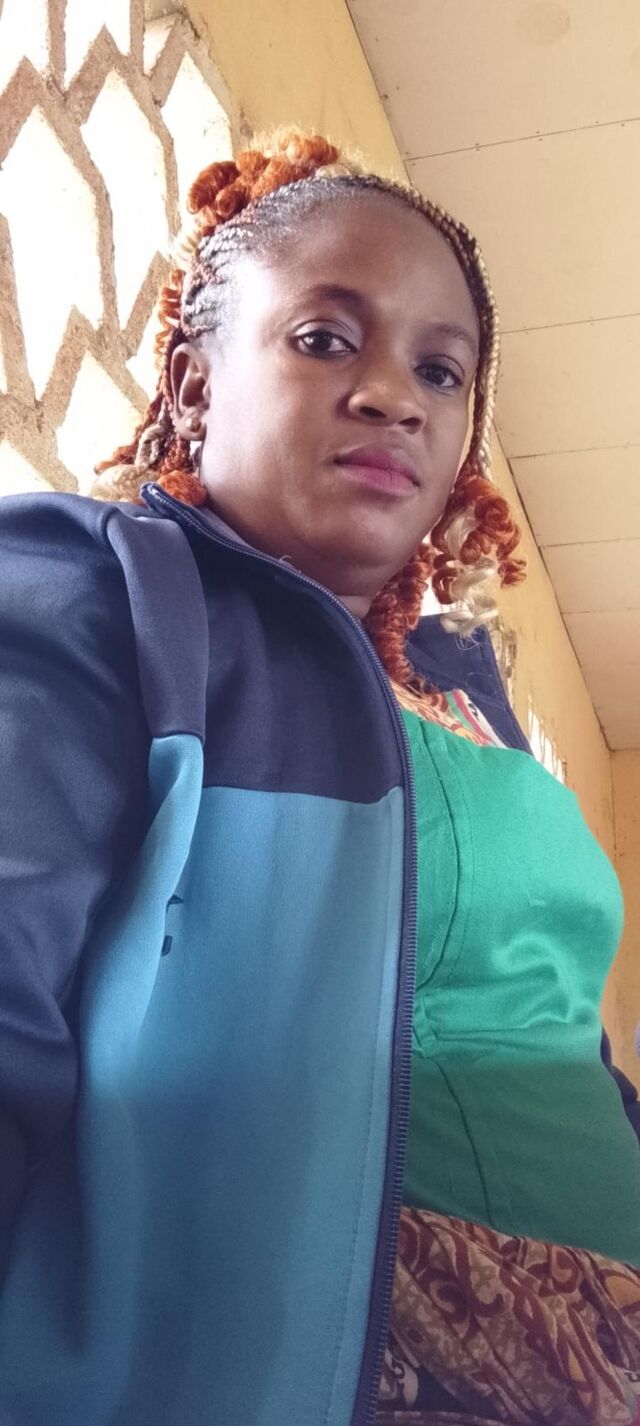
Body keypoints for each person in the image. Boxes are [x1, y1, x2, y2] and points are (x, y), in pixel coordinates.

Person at [0, 129, 638, 1426]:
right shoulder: (94, 589)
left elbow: (558, 1027)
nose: (395, 395)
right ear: (194, 383)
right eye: (325, 339)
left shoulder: (470, 698)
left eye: (440, 369)